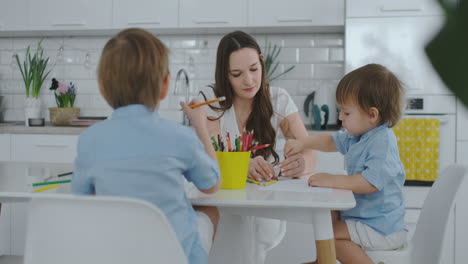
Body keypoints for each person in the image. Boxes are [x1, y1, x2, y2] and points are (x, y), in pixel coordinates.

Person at [72, 28, 221, 264]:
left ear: (102, 87)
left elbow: (81, 198)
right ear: (165, 85)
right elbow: (212, 185)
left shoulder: (89, 140)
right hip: (173, 257)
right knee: (209, 212)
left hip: (114, 255)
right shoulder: (180, 136)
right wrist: (200, 125)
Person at [198, 31, 317, 264]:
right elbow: (208, 155)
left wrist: (301, 164)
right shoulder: (211, 100)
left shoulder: (278, 99)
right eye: (237, 74)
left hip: (264, 207)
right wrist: (242, 165)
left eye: (254, 69)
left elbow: (309, 150)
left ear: (262, 61)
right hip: (222, 205)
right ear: (225, 74)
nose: (249, 80)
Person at [285, 63, 408, 264]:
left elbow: (370, 183)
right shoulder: (358, 135)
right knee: (328, 216)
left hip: (382, 228)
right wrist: (302, 142)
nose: (340, 117)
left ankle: (325, 260)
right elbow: (330, 141)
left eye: (346, 112)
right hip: (365, 220)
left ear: (372, 115)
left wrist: (332, 180)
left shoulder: (382, 141)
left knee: (328, 236)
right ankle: (324, 260)